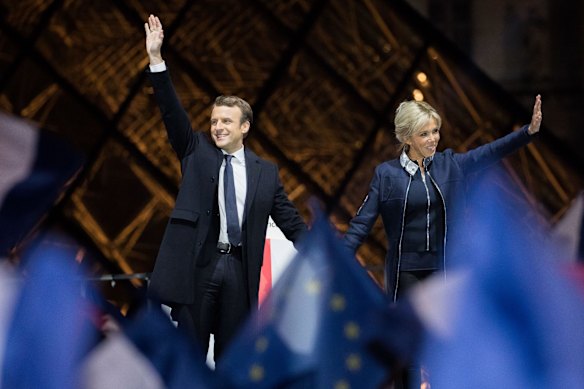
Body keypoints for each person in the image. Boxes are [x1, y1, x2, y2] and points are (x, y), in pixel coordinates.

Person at [344, 95, 542, 387]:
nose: (433, 138)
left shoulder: (451, 165)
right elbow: (361, 223)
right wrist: (337, 255)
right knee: (410, 349)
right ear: (406, 138)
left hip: (445, 270)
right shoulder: (386, 175)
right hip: (405, 272)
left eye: (435, 131)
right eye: (425, 133)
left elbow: (489, 152)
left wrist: (527, 133)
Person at [143, 15, 307, 361]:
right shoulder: (195, 149)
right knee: (190, 353)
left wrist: (320, 253)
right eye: (214, 120)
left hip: (239, 270)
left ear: (244, 126)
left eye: (226, 121)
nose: (217, 127)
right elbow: (172, 113)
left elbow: (290, 221)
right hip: (199, 267)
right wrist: (157, 60)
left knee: (233, 359)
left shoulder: (267, 172)